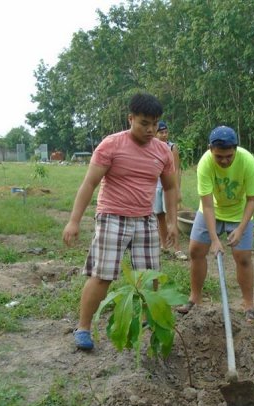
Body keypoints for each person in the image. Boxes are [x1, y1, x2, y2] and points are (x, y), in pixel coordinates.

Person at [62, 93, 178, 350]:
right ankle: (83, 327)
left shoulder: (162, 152)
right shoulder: (111, 145)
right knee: (102, 276)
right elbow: (89, 183)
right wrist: (73, 221)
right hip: (112, 216)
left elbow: (170, 188)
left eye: (155, 124)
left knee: (149, 277)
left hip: (145, 220)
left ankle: (150, 320)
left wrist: (170, 222)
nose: (150, 130)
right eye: (144, 123)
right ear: (131, 118)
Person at [177, 126, 254, 322]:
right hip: (211, 209)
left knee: (243, 257)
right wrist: (214, 239)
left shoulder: (247, 161)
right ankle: (194, 299)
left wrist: (240, 229)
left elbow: (253, 199)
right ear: (210, 149)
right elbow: (207, 205)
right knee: (196, 250)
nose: (224, 161)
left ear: (236, 150)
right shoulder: (205, 163)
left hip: (239, 212)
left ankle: (249, 305)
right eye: (219, 157)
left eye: (229, 156)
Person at [154, 120, 188, 261]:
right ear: (155, 133)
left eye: (166, 132)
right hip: (155, 186)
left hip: (169, 185)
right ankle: (164, 245)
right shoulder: (151, 147)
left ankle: (177, 249)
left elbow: (176, 170)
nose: (164, 135)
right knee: (160, 216)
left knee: (171, 216)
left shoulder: (172, 147)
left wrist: (177, 189)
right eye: (161, 132)